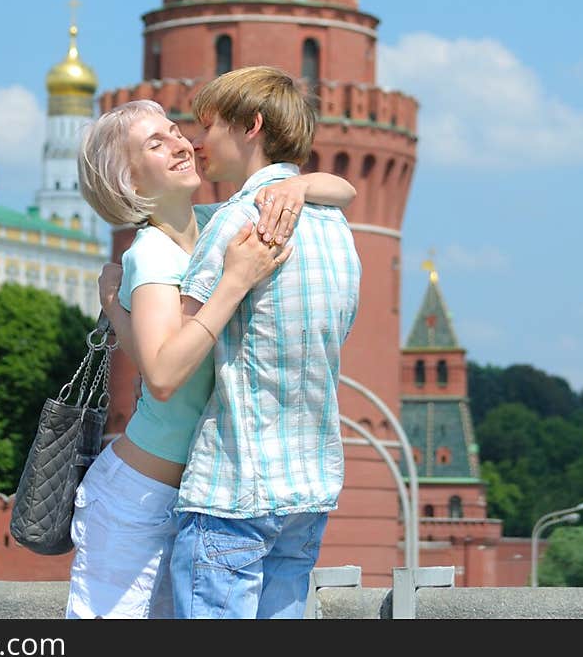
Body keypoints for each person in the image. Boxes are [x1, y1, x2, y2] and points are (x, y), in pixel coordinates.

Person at [65, 97, 356, 620]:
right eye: (155, 143)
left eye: (175, 131)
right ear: (128, 180)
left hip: (207, 495)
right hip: (141, 500)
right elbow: (163, 375)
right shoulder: (151, 254)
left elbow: (347, 189)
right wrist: (237, 281)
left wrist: (294, 185)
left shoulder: (214, 222)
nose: (180, 142)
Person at [168, 65, 362, 620]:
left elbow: (176, 356)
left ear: (251, 125)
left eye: (208, 126)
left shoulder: (235, 223)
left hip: (234, 489)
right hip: (310, 489)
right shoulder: (337, 229)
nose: (197, 142)